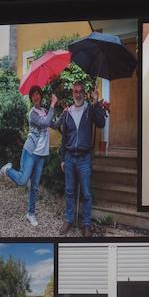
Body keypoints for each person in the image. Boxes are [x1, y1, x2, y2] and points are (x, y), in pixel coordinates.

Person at [51, 81, 110, 237]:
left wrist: (97, 103)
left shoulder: (90, 110)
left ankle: (86, 224)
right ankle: (69, 220)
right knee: (69, 191)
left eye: (80, 91)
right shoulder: (67, 112)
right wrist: (62, 159)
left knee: (86, 193)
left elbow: (101, 123)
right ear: (72, 93)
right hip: (69, 157)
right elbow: (64, 138)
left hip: (84, 158)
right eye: (75, 91)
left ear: (84, 93)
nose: (78, 94)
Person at [0, 85, 53, 227]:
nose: (36, 97)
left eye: (37, 94)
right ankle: (8, 170)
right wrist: (53, 105)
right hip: (30, 151)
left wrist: (65, 113)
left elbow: (53, 123)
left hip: (41, 155)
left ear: (41, 96)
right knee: (22, 180)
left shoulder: (45, 111)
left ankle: (31, 213)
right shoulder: (33, 114)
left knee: (34, 187)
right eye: (33, 95)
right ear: (31, 98)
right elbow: (45, 123)